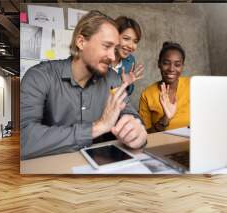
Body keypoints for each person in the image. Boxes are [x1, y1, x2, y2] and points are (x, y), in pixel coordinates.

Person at [20, 10, 147, 160]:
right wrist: (97, 128)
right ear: (81, 42)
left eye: (115, 49)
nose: (113, 56)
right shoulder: (39, 77)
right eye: (107, 46)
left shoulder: (112, 79)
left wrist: (137, 130)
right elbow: (24, 138)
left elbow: (129, 113)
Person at [138, 42, 190, 133]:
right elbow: (145, 135)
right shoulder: (147, 95)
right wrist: (165, 118)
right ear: (159, 64)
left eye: (177, 65)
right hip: (163, 145)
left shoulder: (193, 85)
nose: (171, 69)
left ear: (182, 66)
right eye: (166, 63)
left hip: (193, 143)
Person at [111, 16, 144, 95]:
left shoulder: (130, 61)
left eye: (135, 41)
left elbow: (128, 92)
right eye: (126, 39)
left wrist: (126, 85)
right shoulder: (101, 57)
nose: (131, 46)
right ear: (114, 35)